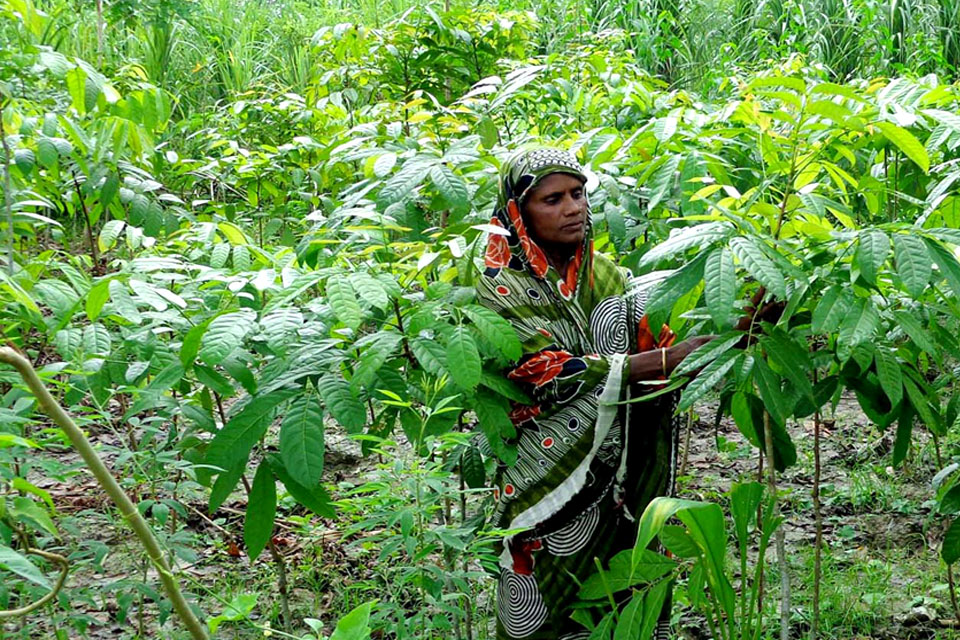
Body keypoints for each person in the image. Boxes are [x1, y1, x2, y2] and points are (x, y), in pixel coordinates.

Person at [475, 148, 730, 640]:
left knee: (625, 581)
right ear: (517, 209)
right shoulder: (496, 280)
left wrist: (735, 327)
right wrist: (655, 363)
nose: (573, 208)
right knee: (546, 593)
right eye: (552, 199)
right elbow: (537, 372)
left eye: (578, 194)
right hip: (544, 473)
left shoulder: (606, 273)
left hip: (621, 472)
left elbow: (657, 342)